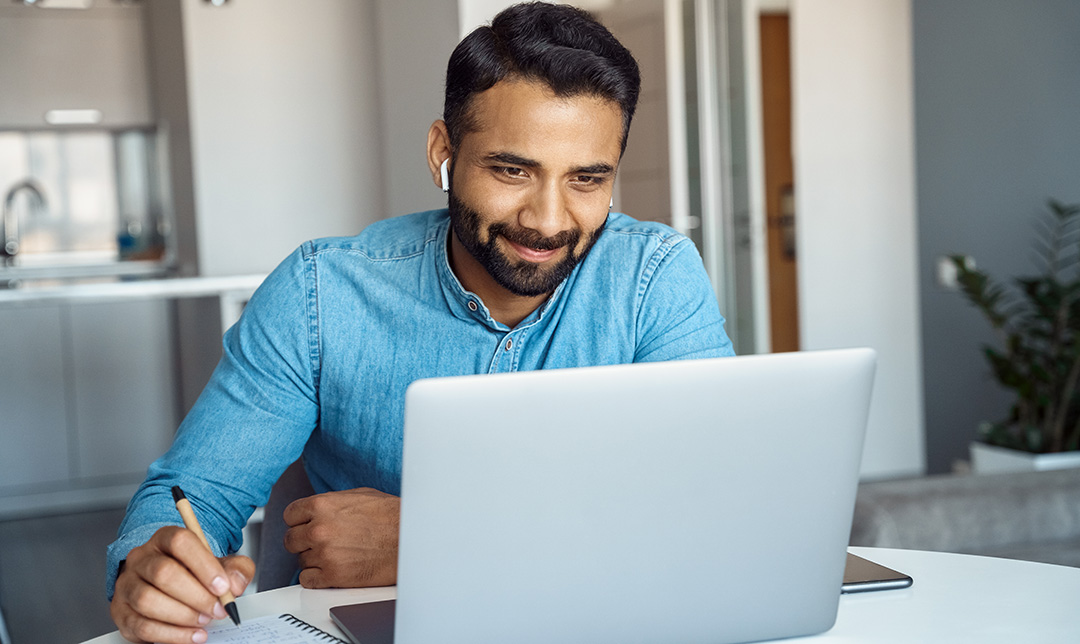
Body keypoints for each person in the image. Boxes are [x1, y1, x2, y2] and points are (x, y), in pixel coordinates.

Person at [106, 3, 734, 642]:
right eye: (512, 170)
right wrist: (150, 568)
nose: (548, 220)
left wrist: (431, 535)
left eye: (586, 179)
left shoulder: (653, 277)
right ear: (444, 151)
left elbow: (713, 505)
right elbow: (196, 493)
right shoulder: (321, 292)